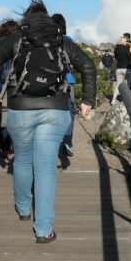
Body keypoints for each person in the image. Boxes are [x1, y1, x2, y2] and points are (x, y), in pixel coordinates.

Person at [0, 0, 96, 243]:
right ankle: (44, 229)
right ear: (47, 17)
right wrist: (88, 100)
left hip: (20, 109)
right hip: (55, 109)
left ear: (26, 18)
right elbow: (87, 65)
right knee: (45, 168)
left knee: (22, 159)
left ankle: (23, 209)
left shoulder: (17, 39)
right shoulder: (61, 40)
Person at [0, 18, 21, 161]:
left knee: (4, 118)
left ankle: (5, 149)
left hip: (3, 86)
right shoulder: (21, 44)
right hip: (19, 86)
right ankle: (19, 148)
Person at [51, 13, 77, 158]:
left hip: (51, 81)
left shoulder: (46, 40)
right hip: (68, 79)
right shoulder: (69, 41)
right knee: (70, 111)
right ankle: (67, 141)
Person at [111, 35, 131, 104]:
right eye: (125, 41)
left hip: (118, 68)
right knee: (127, 84)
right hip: (126, 68)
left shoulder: (116, 49)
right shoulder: (126, 49)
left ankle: (113, 100)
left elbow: (116, 58)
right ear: (123, 41)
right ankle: (125, 100)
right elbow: (130, 58)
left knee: (118, 84)